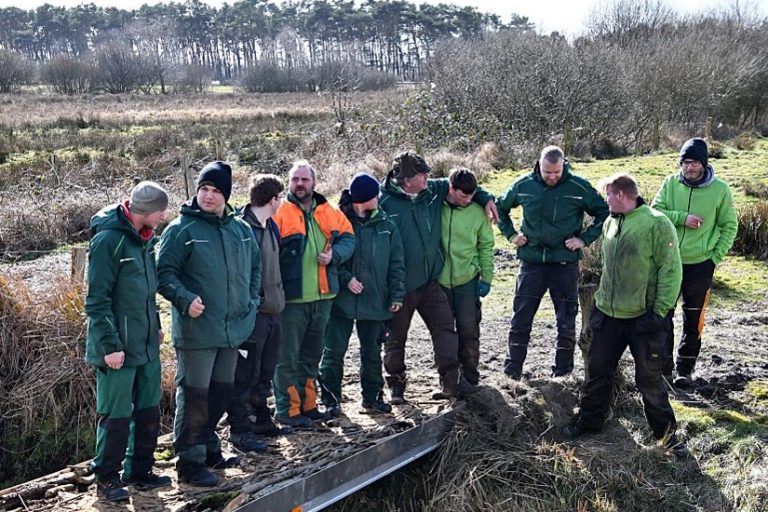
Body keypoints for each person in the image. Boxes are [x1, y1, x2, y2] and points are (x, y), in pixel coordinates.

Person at [561, 173, 689, 459]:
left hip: (644, 318)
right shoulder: (609, 223)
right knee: (597, 372)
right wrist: (599, 306)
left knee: (649, 379)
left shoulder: (656, 224)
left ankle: (667, 437)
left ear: (620, 195)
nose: (605, 200)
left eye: (607, 195)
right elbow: (608, 267)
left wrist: (659, 312)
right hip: (608, 315)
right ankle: (590, 421)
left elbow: (671, 271)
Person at [157, 161, 261, 487]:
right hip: (197, 331)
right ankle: (189, 462)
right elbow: (163, 274)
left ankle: (210, 447)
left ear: (226, 196)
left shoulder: (240, 231)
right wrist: (185, 299)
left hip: (231, 331)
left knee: (220, 394)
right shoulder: (181, 230)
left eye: (216, 191)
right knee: (194, 396)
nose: (209, 196)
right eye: (204, 189)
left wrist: (251, 304)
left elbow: (255, 271)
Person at [379, 151, 498, 403]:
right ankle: (396, 386)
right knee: (396, 337)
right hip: (400, 286)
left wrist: (486, 198)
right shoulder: (385, 203)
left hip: (430, 281)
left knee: (445, 330)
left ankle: (452, 385)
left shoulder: (431, 190)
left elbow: (463, 184)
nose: (429, 177)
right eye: (423, 175)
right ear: (407, 179)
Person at [85, 181, 172, 502]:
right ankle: (107, 479)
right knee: (116, 415)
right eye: (161, 210)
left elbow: (147, 293)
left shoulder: (145, 239)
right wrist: (110, 347)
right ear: (147, 211)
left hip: (146, 343)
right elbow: (96, 300)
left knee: (148, 411)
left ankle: (140, 471)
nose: (164, 216)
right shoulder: (110, 241)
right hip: (116, 349)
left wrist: (158, 327)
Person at [497, 146, 609, 379]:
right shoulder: (523, 185)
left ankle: (563, 374)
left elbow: (603, 212)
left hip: (564, 264)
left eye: (557, 172)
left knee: (566, 320)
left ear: (563, 165)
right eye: (548, 172)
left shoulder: (578, 187)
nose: (552, 177)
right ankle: (512, 372)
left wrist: (584, 239)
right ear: (539, 165)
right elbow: (501, 207)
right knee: (521, 318)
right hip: (532, 262)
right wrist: (511, 235)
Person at [272, 160, 355, 428]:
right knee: (287, 358)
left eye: (304, 180)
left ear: (314, 183)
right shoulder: (279, 212)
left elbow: (349, 238)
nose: (299, 184)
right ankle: (287, 411)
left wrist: (334, 255)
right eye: (295, 179)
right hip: (292, 300)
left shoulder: (328, 210)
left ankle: (308, 406)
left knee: (311, 356)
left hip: (323, 298)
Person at [651, 138, 738, 387]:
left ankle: (684, 370)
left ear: (704, 164)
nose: (689, 167)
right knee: (663, 316)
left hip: (700, 265)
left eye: (695, 162)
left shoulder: (719, 190)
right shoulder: (669, 184)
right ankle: (664, 369)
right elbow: (655, 213)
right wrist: (682, 218)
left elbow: (730, 226)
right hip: (668, 262)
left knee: (693, 318)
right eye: (685, 162)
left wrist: (715, 258)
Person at [318, 172, 405, 415]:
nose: (378, 199)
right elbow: (330, 257)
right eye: (374, 196)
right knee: (334, 351)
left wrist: (396, 295)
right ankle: (331, 400)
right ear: (361, 200)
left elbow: (397, 262)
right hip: (341, 300)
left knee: (371, 352)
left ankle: (372, 397)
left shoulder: (387, 225)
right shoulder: (338, 223)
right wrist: (347, 280)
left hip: (375, 299)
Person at [225, 174, 292, 454]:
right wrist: (255, 302)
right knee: (245, 375)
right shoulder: (244, 230)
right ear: (272, 199)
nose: (282, 202)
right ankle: (240, 430)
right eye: (280, 197)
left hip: (274, 311)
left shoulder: (271, 226)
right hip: (254, 315)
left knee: (265, 370)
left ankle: (260, 420)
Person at [437, 168, 495, 389]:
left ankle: (470, 379)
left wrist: (486, 277)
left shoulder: (478, 212)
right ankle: (448, 383)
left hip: (467, 280)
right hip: (440, 281)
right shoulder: (436, 207)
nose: (468, 200)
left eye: (472, 195)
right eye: (463, 196)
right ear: (451, 189)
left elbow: (486, 246)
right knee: (443, 335)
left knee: (469, 331)